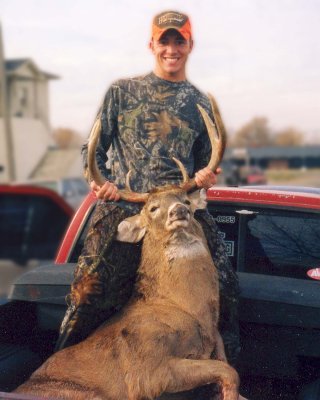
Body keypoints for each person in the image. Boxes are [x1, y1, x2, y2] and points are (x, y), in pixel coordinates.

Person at [55, 10, 240, 372]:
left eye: (179, 40)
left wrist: (205, 177)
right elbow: (90, 151)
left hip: (180, 208)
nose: (171, 48)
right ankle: (62, 376)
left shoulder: (198, 102)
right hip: (127, 206)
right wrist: (100, 183)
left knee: (228, 288)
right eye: (164, 40)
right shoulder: (122, 92)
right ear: (151, 44)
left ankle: (218, 381)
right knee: (90, 291)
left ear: (190, 45)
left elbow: (206, 162)